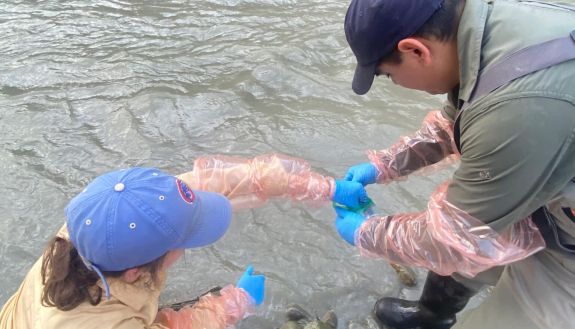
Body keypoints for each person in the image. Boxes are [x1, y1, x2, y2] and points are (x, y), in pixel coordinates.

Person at [333, 0, 575, 328]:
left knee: (473, 237)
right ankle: (432, 316)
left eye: (389, 76)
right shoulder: (489, 29)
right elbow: (456, 122)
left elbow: (453, 235)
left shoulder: (519, 110)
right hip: (550, 169)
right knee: (482, 213)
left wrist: (367, 231)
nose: (395, 83)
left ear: (416, 50)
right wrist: (385, 165)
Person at [0, 153, 364, 329]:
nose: (188, 246)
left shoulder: (99, 221)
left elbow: (226, 181)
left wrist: (323, 187)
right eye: (184, 242)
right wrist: (233, 305)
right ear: (133, 273)